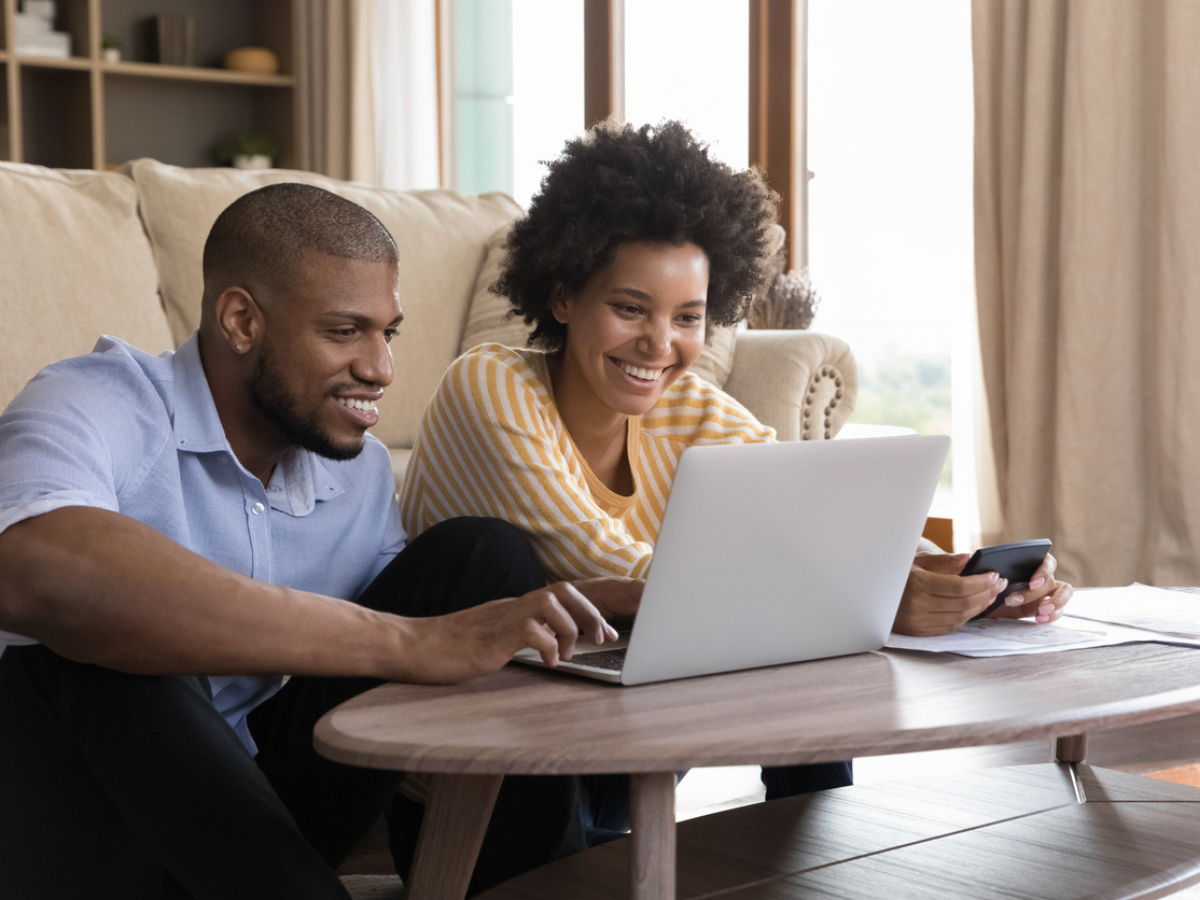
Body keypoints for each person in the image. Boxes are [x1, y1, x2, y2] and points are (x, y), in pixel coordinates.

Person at [398, 119, 1075, 811]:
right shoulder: (490, 386)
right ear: (564, 295)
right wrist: (868, 597)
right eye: (630, 308)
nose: (659, 344)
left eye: (687, 318)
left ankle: (812, 845)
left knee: (796, 612)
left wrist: (967, 577)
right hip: (479, 778)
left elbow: (811, 510)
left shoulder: (686, 406)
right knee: (784, 607)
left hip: (616, 719)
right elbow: (621, 570)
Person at [0, 183, 639, 899]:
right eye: (344, 332)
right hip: (78, 830)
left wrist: (540, 616)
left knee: (483, 557)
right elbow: (34, 567)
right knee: (99, 643)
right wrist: (410, 643)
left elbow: (431, 629)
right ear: (241, 320)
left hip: (250, 817)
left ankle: (533, 891)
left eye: (388, 334)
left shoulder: (356, 468)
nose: (380, 369)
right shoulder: (93, 401)